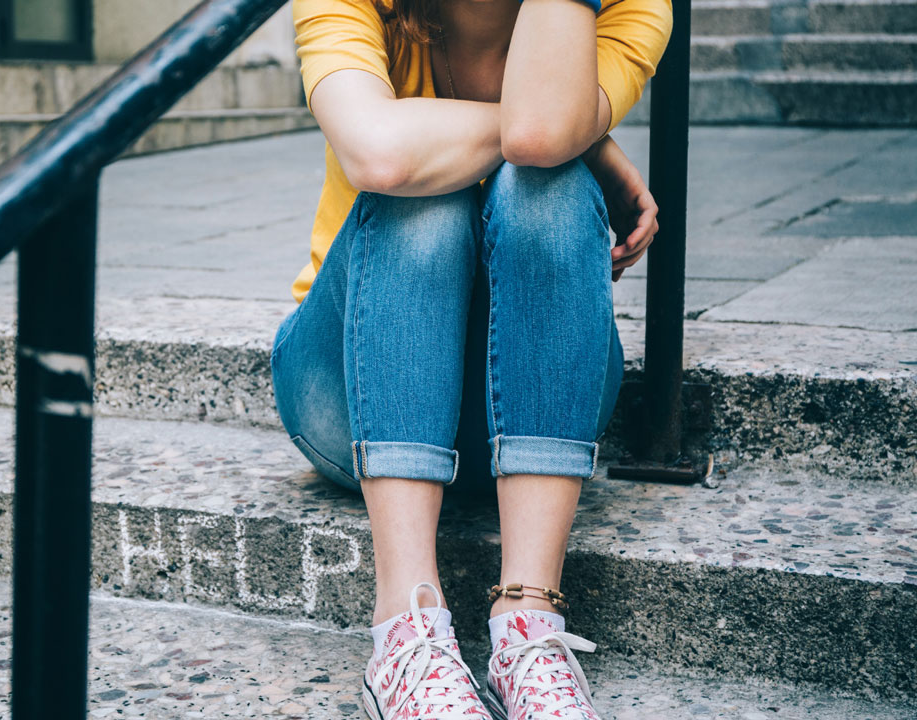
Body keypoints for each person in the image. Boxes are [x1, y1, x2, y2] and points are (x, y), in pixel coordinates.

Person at [269, 0, 672, 718]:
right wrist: (586, 139)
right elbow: (380, 150)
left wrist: (560, 139)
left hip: (519, 405)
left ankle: (528, 623)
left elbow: (540, 135)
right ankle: (405, 631)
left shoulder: (629, 7)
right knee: (421, 191)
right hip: (347, 390)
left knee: (546, 184)